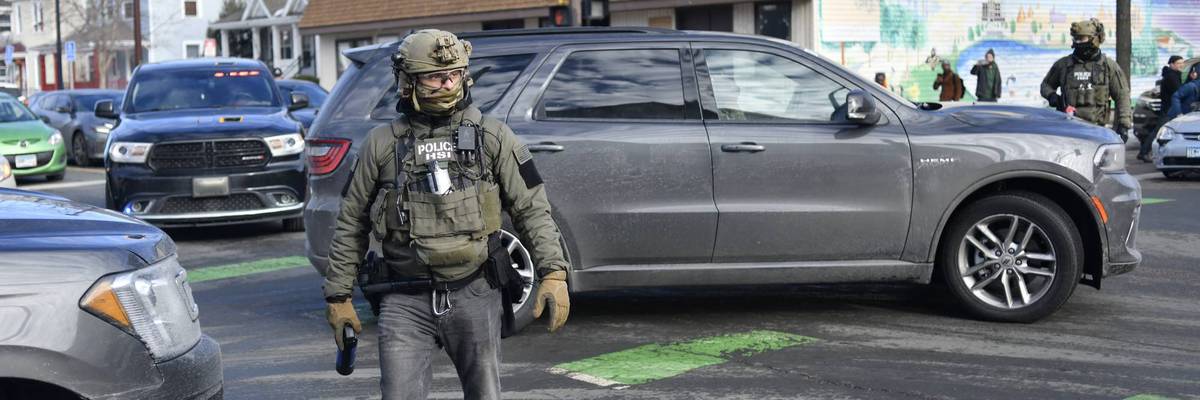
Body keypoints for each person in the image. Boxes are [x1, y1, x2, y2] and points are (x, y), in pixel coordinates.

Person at [322, 29, 571, 400]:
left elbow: (532, 207)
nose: (447, 83)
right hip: (403, 299)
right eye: (435, 77)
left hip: (474, 292)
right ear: (408, 82)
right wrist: (338, 295)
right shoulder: (381, 145)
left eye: (454, 74)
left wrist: (553, 272)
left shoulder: (493, 138)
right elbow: (351, 220)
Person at [1040, 19, 1131, 142]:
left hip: (1097, 132)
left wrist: (1124, 124)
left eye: (1082, 38)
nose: (1078, 42)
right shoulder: (1064, 65)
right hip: (1069, 131)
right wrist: (1053, 97)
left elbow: (1122, 95)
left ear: (1095, 39)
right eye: (1076, 38)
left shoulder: (1108, 66)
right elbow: (1046, 85)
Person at [1142, 55, 1185, 162]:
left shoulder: (1173, 75)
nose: (1181, 65)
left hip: (1169, 108)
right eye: (1179, 63)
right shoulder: (1172, 77)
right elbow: (1179, 92)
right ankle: (1143, 152)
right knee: (1158, 132)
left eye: (1182, 63)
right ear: (1172, 64)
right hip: (1168, 110)